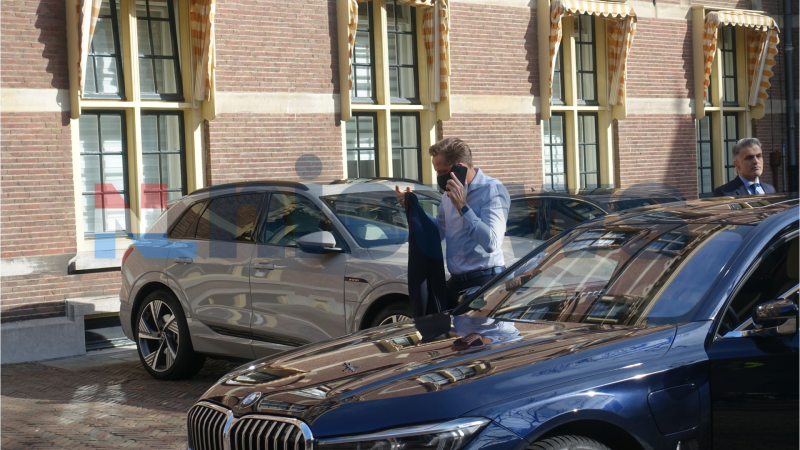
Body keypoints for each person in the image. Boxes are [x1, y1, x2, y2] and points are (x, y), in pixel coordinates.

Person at [396, 137, 510, 309]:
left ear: (459, 168)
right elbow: (439, 232)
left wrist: (463, 207)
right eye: (437, 172)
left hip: (485, 283)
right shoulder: (447, 195)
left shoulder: (492, 190)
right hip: (455, 284)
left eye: (443, 171)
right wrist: (414, 209)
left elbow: (492, 243)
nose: (439, 177)